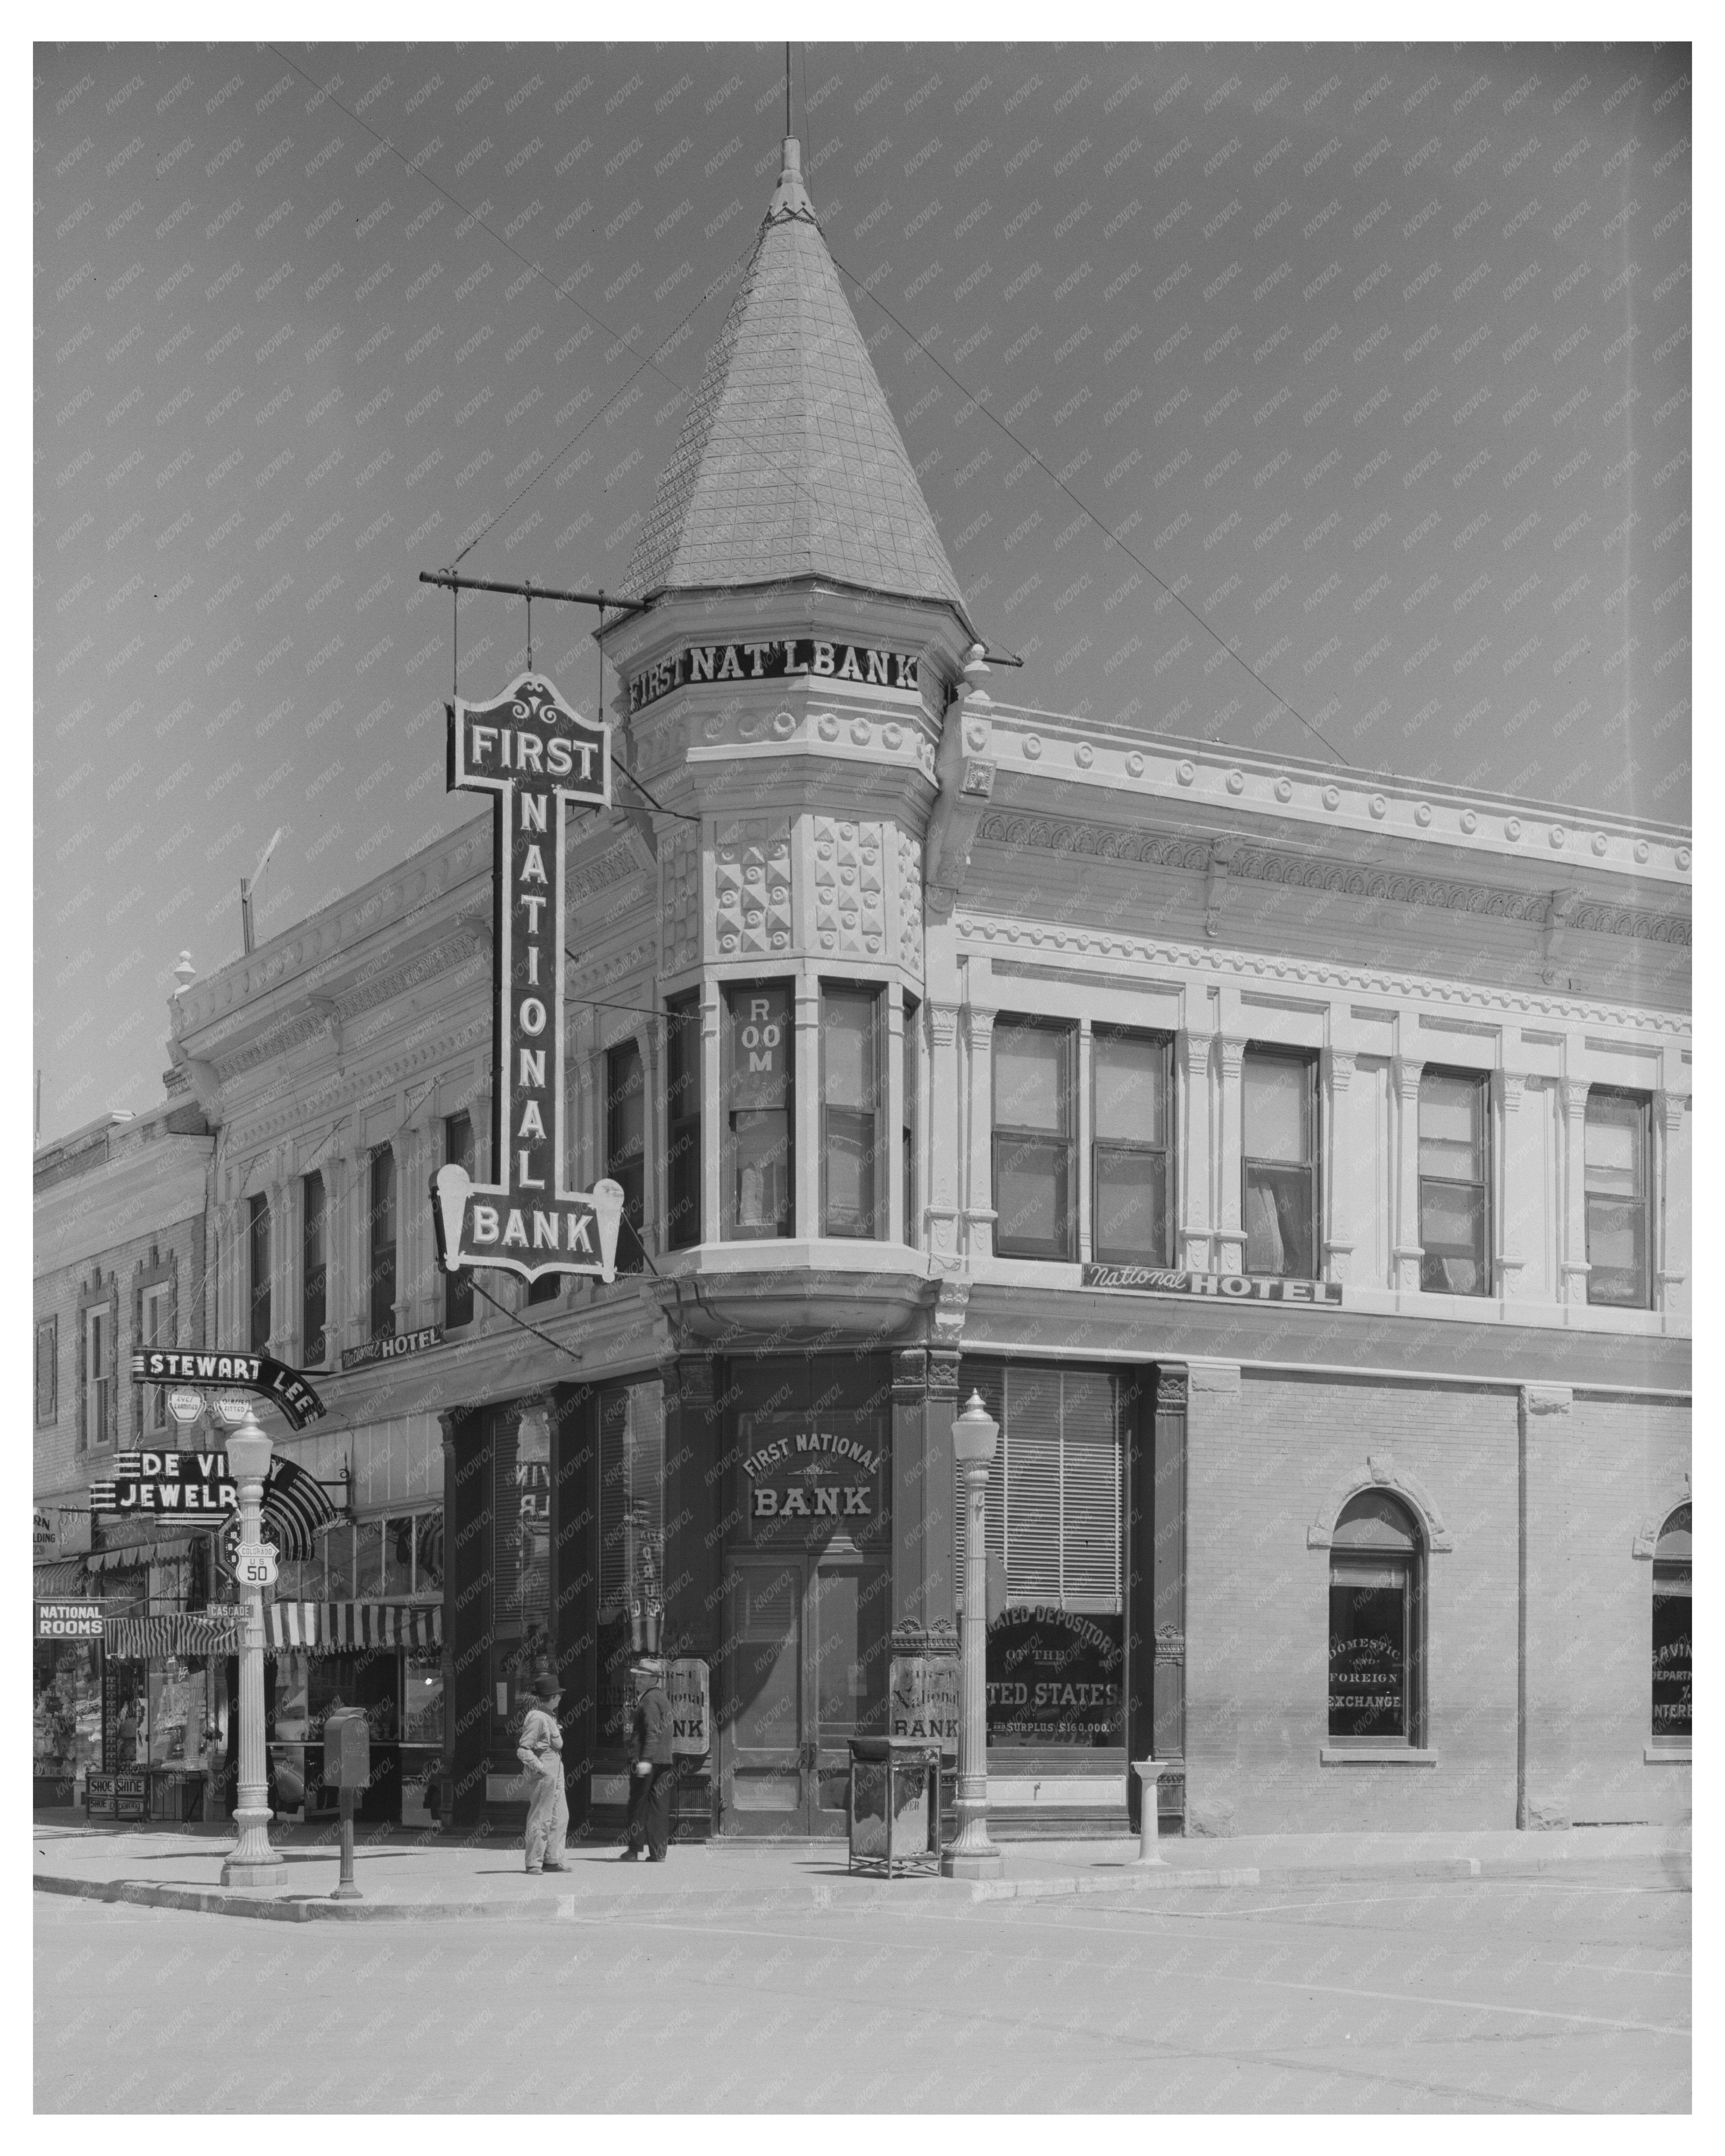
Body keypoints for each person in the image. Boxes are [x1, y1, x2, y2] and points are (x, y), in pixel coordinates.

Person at [622, 1656, 674, 1862]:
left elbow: (653, 1733)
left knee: (638, 1804)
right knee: (659, 1806)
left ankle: (634, 1850)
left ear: (655, 1680)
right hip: (663, 1760)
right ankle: (658, 1852)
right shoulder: (661, 1698)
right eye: (638, 1677)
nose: (639, 1681)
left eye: (644, 1677)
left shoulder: (649, 1700)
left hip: (649, 1761)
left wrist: (645, 1759)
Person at [517, 1672, 568, 1875]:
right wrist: (539, 1767)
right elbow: (523, 1749)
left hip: (556, 1767)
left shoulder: (548, 1715)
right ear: (553, 1697)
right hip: (545, 1768)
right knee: (541, 1816)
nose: (560, 1698)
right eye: (559, 1695)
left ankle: (552, 1859)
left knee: (560, 1816)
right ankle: (534, 1862)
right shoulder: (538, 1718)